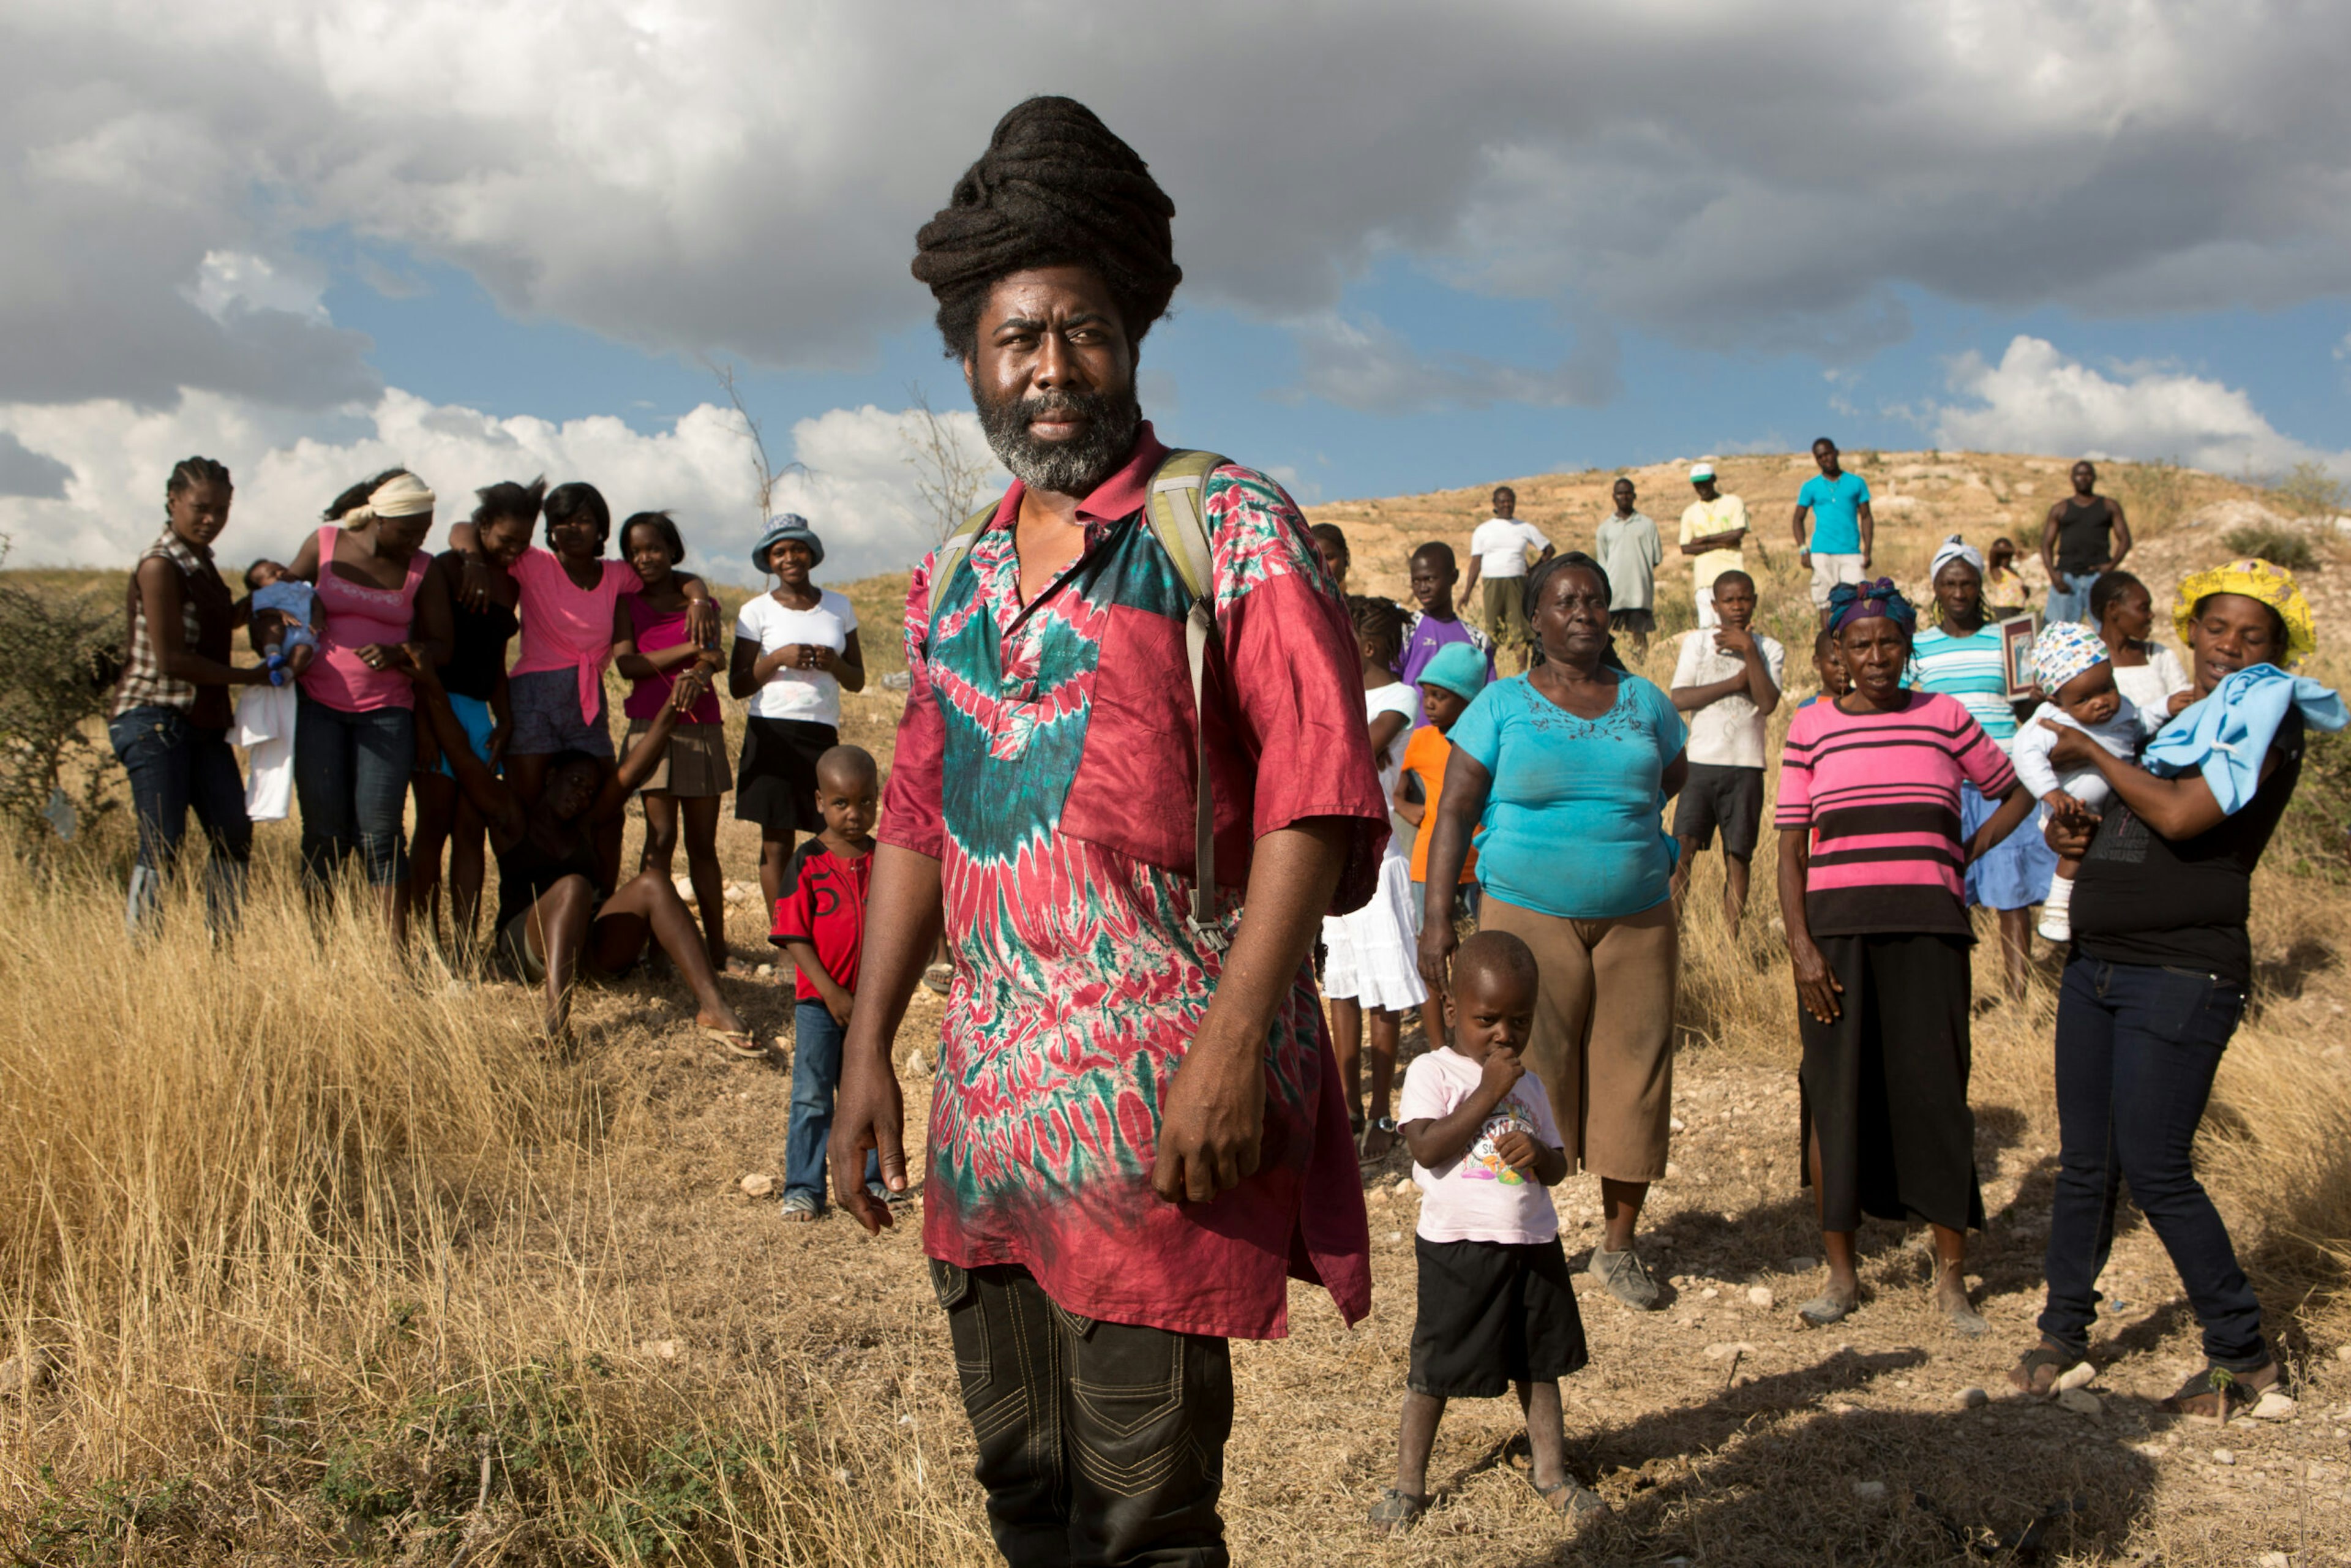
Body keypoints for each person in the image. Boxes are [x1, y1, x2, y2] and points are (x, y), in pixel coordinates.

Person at [830, 96, 1385, 1568]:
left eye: (1081, 331)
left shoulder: (1227, 524)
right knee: (1026, 1492)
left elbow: (1316, 789)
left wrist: (1228, 1042)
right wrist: (866, 1045)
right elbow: (912, 819)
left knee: (1144, 1510)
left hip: (1164, 1098)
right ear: (968, 360)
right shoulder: (953, 575)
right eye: (1017, 340)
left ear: (1131, 337)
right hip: (991, 1104)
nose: (1051, 369)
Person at [2017, 560, 2343, 1417]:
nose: (2229, 647)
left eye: (2253, 636)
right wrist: (2076, 828)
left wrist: (2087, 750)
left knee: (2158, 1167)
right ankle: (2063, 1333)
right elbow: (2135, 817)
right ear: (2192, 631)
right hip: (2099, 963)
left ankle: (2245, 1358)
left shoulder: (2265, 725)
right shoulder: (2182, 719)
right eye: (2217, 628)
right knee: (2088, 1163)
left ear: (2277, 651)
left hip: (2182, 971)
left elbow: (2180, 815)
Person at [1419, 552, 1688, 1313]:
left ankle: (1618, 1245)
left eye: (1596, 600)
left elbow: (1673, 779)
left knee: (1635, 1067)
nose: (1584, 612)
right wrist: (1438, 917)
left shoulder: (1647, 702)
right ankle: (1518, 1234)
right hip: (1525, 912)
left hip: (1638, 916)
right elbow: (1454, 814)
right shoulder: (1501, 704)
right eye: (1566, 600)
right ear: (1535, 619)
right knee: (1526, 1067)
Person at [1775, 580, 2035, 1334]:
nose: (1877, 656)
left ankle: (1951, 1278)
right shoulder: (1812, 726)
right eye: (1860, 644)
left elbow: (2012, 788)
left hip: (1931, 928)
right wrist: (1801, 949)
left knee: (1935, 1093)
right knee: (1836, 1093)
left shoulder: (1945, 716)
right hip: (1837, 935)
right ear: (1839, 653)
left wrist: (1965, 852)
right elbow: (1791, 850)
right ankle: (1841, 1274)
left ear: (1907, 646)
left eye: (1889, 641)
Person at [409, 648, 759, 1052]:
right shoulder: (512, 818)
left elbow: (634, 767)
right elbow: (462, 757)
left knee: (654, 884)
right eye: (576, 782)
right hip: (527, 945)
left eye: (590, 791)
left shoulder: (586, 825)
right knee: (573, 885)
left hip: (588, 950)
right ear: (551, 775)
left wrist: (674, 703)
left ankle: (713, 1006)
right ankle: (556, 1023)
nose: (582, 795)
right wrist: (431, 687)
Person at [1368, 931, 1600, 1536]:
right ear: (1451, 1011)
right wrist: (1489, 1089)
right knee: (1434, 1368)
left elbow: (1557, 1162)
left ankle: (1551, 1471)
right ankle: (1408, 1485)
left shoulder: (1532, 1085)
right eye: (1488, 1018)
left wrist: (1539, 1154)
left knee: (1539, 1364)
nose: (1504, 1033)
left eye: (1518, 1020)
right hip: (1459, 1247)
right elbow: (1426, 1145)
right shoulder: (1434, 1070)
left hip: (1532, 1243)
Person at [283, 468, 454, 942]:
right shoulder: (324, 544)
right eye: (409, 531)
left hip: (387, 713)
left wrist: (400, 653)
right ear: (380, 518)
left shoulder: (424, 568)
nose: (417, 540)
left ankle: (393, 958)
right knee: (324, 832)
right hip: (318, 706)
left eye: (424, 531)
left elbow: (443, 645)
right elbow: (275, 593)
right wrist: (299, 612)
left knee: (381, 834)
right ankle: (322, 947)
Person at [108, 457, 260, 934]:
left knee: (234, 832)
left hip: (200, 722)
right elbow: (173, 658)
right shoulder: (161, 565)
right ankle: (143, 954)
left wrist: (266, 599)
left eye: (221, 510)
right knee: (163, 839)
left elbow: (214, 624)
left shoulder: (202, 564)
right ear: (172, 501)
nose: (210, 519)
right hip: (154, 716)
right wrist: (249, 677)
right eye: (200, 507)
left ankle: (224, 946)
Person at [1907, 535, 2054, 997]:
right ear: (1935, 586)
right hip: (1943, 781)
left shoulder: (2008, 640)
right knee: (1953, 889)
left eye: (1967, 583)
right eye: (1949, 583)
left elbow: (2025, 713)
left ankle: (2018, 999)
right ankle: (1957, 995)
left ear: (1979, 586)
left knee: (2012, 888)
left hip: (2003, 781)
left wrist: (2035, 699)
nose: (1958, 592)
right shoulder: (1918, 648)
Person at [410, 479, 534, 954]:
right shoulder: (444, 568)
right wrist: (423, 725)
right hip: (439, 705)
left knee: (471, 832)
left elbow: (496, 662)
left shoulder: (511, 581)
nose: (516, 549)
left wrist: (503, 720)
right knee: (433, 828)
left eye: (524, 541)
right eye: (507, 539)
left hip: (481, 717)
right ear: (483, 528)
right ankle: (425, 943)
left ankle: (462, 947)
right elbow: (425, 652)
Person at [1322, 595, 1427, 1158]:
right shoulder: (1340, 692)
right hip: (1337, 858)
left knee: (1383, 992)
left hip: (1381, 859)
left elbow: (1352, 747)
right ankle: (1347, 1103)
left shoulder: (1399, 696)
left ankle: (1382, 1112)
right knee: (1343, 985)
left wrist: (1343, 743)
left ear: (1364, 644)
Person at [767, 745, 890, 1219]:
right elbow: (793, 935)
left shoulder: (884, 859)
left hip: (870, 1002)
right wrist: (831, 992)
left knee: (868, 1087)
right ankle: (803, 1186)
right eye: (842, 803)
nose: (855, 814)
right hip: (819, 1005)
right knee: (813, 1094)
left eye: (865, 803)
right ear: (820, 800)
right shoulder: (807, 861)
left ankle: (876, 1179)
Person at [614, 511, 733, 973]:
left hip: (700, 726)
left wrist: (700, 672)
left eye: (654, 548)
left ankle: (719, 949)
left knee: (703, 845)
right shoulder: (627, 604)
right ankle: (661, 951)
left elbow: (716, 658)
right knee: (660, 837)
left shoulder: (701, 604)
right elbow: (628, 666)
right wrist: (690, 653)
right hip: (649, 727)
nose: (645, 558)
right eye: (635, 551)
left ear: (671, 551)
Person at [730, 514, 864, 920]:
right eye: (780, 551)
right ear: (768, 560)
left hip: (821, 733)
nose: (790, 558)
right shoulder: (755, 611)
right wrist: (778, 658)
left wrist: (833, 662)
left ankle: (829, 923)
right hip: (771, 731)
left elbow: (856, 679)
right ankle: (785, 940)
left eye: (798, 549)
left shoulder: (839, 606)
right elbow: (739, 685)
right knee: (776, 839)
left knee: (830, 833)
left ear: (812, 554)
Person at [2013, 623, 2148, 943]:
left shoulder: (2121, 708)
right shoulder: (2051, 722)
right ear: (2058, 699)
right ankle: (2057, 910)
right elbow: (2024, 753)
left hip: (2115, 808)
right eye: (2085, 698)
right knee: (2075, 848)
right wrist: (2052, 793)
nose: (2102, 702)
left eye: (2107, 688)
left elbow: (2140, 723)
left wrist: (2167, 709)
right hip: (2071, 805)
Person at [1668, 571, 1784, 938]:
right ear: (1715, 605)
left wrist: (1749, 650)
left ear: (1754, 601)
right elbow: (1680, 698)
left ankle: (1730, 942)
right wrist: (1734, 684)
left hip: (1746, 766)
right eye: (1729, 601)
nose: (1737, 607)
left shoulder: (1769, 649)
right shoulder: (1698, 644)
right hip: (1700, 762)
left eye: (1744, 599)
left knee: (1738, 855)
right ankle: (1674, 932)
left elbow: (1767, 703)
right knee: (1683, 848)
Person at [1393, 642, 1487, 1058]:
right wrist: (1416, 814)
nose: (1428, 704)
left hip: (1481, 863)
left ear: (1466, 699)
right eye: (1425, 693)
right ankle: (1439, 1048)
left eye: (1439, 695)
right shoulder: (1421, 741)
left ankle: (1473, 1036)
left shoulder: (1485, 740)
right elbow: (1399, 792)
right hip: (1428, 863)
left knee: (1480, 950)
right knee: (1430, 954)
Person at [233, 580, 318, 823]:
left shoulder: (304, 590)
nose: (280, 574)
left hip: (303, 649)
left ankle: (286, 673)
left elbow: (318, 602)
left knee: (303, 651)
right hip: (279, 646)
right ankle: (274, 658)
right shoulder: (263, 601)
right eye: (271, 572)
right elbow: (253, 613)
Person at [1459, 486, 1552, 671]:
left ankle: (1521, 673)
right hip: (1493, 583)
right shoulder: (1483, 530)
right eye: (1502, 501)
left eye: (1510, 501)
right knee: (1493, 630)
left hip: (1517, 583)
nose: (1507, 505)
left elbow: (1549, 550)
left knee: (1519, 630)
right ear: (1495, 504)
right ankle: (1490, 671)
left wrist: (1533, 570)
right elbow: (1476, 562)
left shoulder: (1525, 527)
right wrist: (1467, 593)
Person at [1397, 541, 1494, 719]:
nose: (1422, 588)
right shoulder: (1405, 629)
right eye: (1416, 581)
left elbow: (1486, 697)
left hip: (1458, 742)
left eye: (1430, 579)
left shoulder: (1477, 640)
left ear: (1454, 577)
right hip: (1412, 741)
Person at [1791, 438, 1874, 628]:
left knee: (1858, 599)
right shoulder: (1810, 487)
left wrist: (1867, 550)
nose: (1825, 459)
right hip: (1822, 552)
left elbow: (1867, 516)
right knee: (1825, 603)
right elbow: (1797, 519)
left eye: (1827, 454)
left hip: (1851, 551)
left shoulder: (1856, 483)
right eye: (1820, 457)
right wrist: (1803, 549)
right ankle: (1830, 648)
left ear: (1836, 453)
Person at [2090, 571, 2192, 720]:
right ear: (2113, 609)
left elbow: (2187, 704)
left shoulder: (2158, 655)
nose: (2151, 615)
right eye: (2143, 608)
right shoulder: (2086, 659)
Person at [2039, 460, 2131, 626]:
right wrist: (2053, 575)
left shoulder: (2109, 506)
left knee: (2108, 629)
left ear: (2094, 477)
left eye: (2087, 474)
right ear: (2072, 478)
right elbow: (2046, 544)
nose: (2083, 478)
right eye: (2079, 474)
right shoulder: (2060, 509)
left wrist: (2111, 566)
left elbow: (2125, 540)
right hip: (2066, 578)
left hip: (2097, 578)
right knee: (2057, 632)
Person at [1594, 477, 1663, 658]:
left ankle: (1641, 666)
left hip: (1639, 591)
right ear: (1613, 497)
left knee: (1639, 634)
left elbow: (1656, 558)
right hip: (1615, 592)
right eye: (1620, 493)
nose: (1624, 497)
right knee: (1610, 634)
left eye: (1628, 493)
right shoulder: (1605, 528)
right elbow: (1603, 561)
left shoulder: (1648, 525)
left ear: (1635, 496)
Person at [1678, 462, 1749, 631]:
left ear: (1714, 480)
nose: (1702, 487)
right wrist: (1720, 544)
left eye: (1705, 482)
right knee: (1707, 627)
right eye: (1698, 484)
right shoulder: (1690, 512)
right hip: (1704, 580)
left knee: (1733, 624)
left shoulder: (1733, 502)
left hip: (1732, 575)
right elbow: (1686, 547)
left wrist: (1703, 539)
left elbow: (1738, 533)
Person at [1796, 628, 1849, 710]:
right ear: (1817, 663)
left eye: (1848, 663)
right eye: (1836, 663)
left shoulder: (1867, 703)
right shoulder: (1808, 709)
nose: (1844, 670)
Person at [1984, 536, 2034, 616]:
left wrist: (2025, 591)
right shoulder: (1997, 571)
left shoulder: (2013, 572)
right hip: (2005, 610)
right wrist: (2013, 550)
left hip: (2017, 610)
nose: (2004, 558)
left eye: (2007, 555)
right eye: (2002, 555)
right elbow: (1993, 551)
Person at [1309, 520, 1353, 593]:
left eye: (1329, 558)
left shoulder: (1368, 604)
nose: (1322, 566)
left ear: (1345, 555)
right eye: (1314, 559)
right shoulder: (1300, 603)